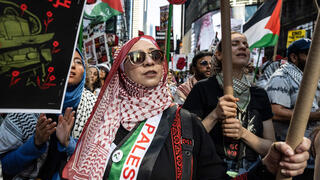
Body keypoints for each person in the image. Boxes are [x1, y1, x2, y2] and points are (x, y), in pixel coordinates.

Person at [62, 35, 309, 180]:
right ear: (121, 71)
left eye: (156, 56)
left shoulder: (185, 123)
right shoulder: (102, 125)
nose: (149, 61)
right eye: (137, 58)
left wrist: (266, 167)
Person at [183, 32, 275, 177]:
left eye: (245, 44)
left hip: (253, 172)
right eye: (235, 44)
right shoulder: (202, 89)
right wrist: (215, 115)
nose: (242, 47)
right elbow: (187, 140)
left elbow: (270, 147)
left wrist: (243, 133)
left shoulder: (260, 94)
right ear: (219, 54)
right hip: (211, 172)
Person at [0, 48, 97, 180]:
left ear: (84, 72)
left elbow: (97, 162)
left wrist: (68, 143)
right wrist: (35, 143)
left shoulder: (94, 106)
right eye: (67, 59)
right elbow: (6, 166)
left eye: (78, 62)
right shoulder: (29, 104)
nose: (73, 65)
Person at [265, 38, 319, 179]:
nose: (316, 58)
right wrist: (315, 115)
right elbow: (275, 112)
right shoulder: (281, 77)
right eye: (309, 54)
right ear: (294, 57)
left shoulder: (313, 79)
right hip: (293, 160)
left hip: (313, 157)